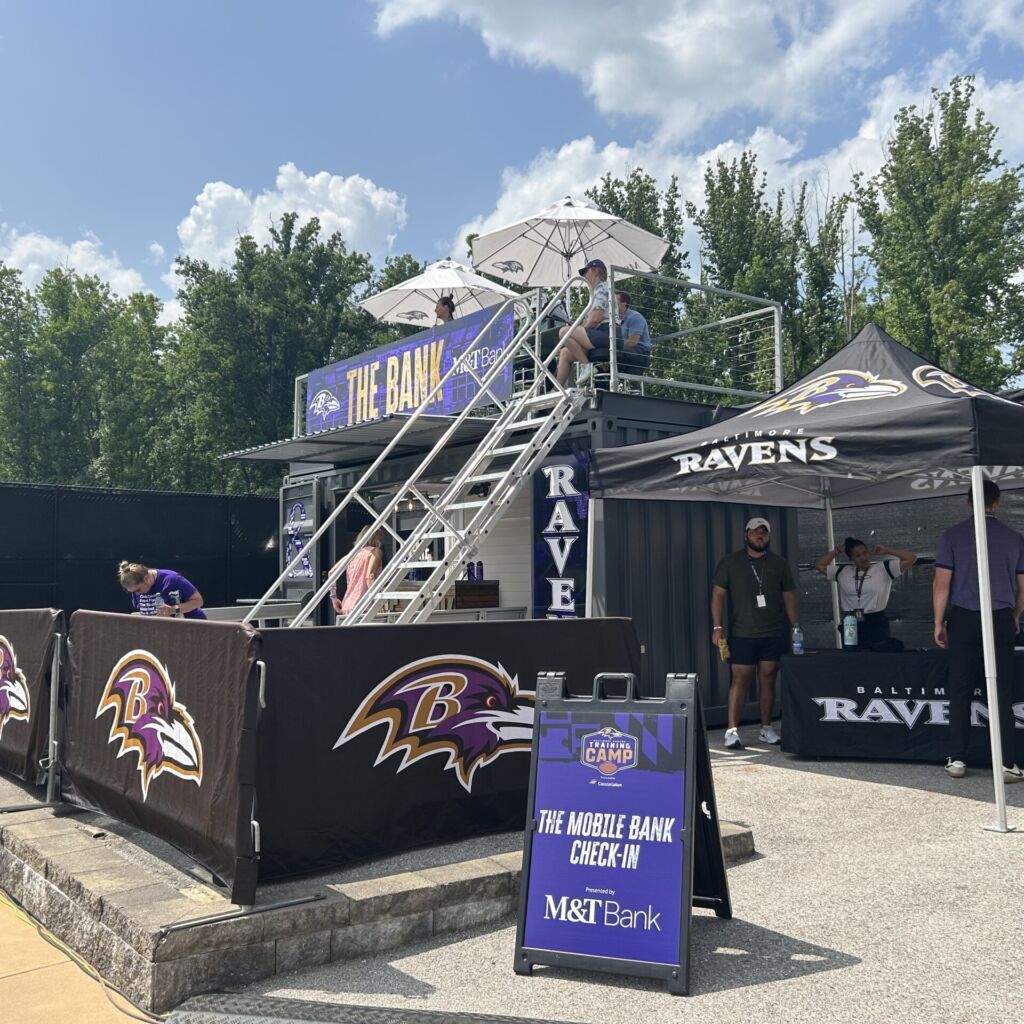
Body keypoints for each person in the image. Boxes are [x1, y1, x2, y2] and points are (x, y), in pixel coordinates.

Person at [932, 481, 1024, 783]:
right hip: (1000, 617)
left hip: (964, 617)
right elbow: (1023, 586)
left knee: (960, 688)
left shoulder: (952, 535)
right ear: (996, 503)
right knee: (1001, 690)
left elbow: (942, 584)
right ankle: (1007, 762)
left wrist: (938, 622)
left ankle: (957, 758)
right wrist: (1015, 615)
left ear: (968, 501)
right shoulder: (1014, 538)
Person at [711, 517, 800, 749]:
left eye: (764, 532)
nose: (760, 535)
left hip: (773, 632)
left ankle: (766, 728)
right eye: (755, 532)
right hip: (742, 632)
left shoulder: (779, 563)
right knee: (740, 678)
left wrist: (795, 626)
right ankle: (732, 731)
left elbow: (789, 595)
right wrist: (717, 627)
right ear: (746, 535)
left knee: (768, 679)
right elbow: (718, 594)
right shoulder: (730, 562)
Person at [815, 536, 918, 647]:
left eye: (865, 553)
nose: (863, 558)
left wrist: (887, 550)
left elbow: (911, 558)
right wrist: (837, 551)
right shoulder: (842, 572)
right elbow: (819, 565)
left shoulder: (883, 569)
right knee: (852, 654)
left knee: (879, 654)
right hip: (851, 621)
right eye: (858, 555)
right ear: (851, 559)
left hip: (876, 621)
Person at [555, 259, 623, 385]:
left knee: (563, 332)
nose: (584, 276)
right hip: (602, 334)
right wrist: (578, 329)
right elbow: (593, 320)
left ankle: (586, 366)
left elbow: (595, 320)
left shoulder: (602, 288)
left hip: (607, 333)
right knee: (565, 353)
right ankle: (556, 389)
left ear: (595, 271)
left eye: (585, 271)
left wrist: (577, 329)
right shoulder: (598, 291)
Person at [118, 561, 207, 619]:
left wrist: (172, 610)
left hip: (193, 628)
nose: (137, 594)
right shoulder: (137, 588)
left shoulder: (172, 579)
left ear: (146, 579)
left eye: (138, 590)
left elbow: (198, 601)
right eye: (133, 592)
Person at [330, 527, 384, 617]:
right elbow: (369, 577)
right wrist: (378, 602)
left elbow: (332, 572)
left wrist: (334, 599)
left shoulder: (352, 554)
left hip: (347, 605)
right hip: (365, 605)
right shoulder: (375, 551)